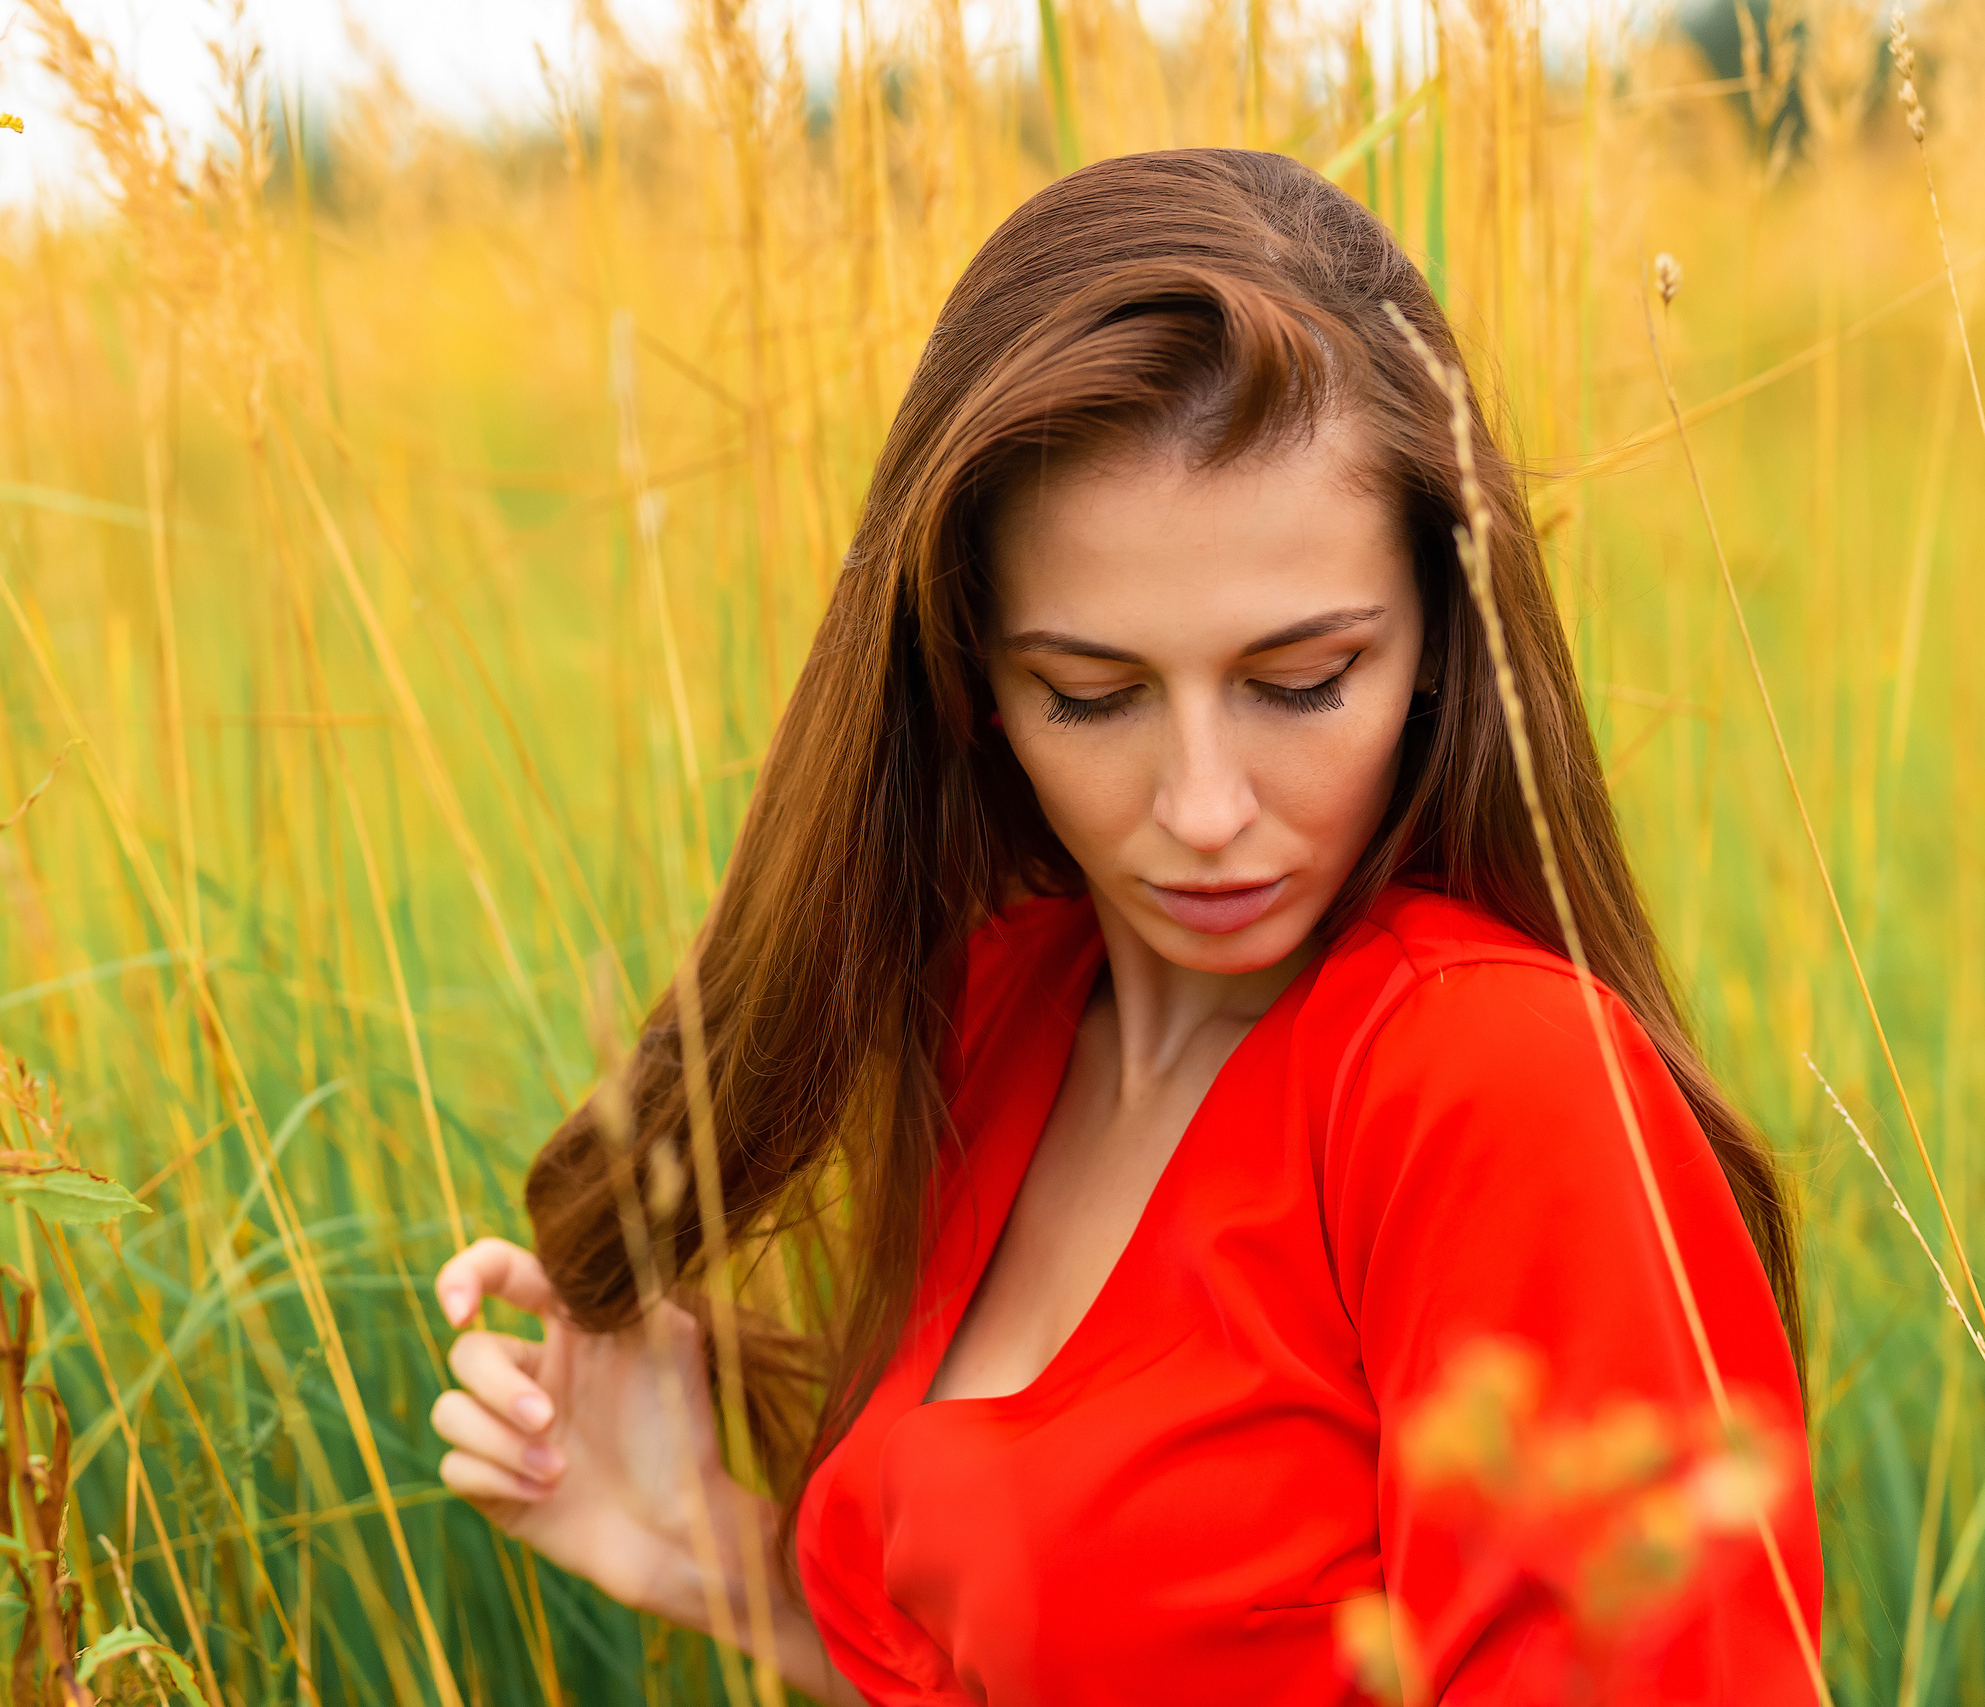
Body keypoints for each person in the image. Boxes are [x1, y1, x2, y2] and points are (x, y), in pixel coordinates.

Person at [426, 148, 1821, 1705]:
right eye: (1089, 696)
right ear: (972, 684)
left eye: (1303, 679)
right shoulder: (1004, 1010)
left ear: (1442, 625)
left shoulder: (1496, 1078)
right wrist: (705, 1551)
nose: (1206, 808)